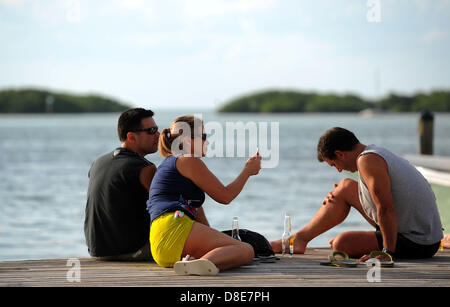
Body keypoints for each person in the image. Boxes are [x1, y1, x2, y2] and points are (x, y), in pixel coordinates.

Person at [271, 127, 444, 260]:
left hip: (419, 242)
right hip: (420, 233)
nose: (338, 170)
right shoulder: (373, 153)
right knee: (344, 186)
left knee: (341, 244)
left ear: (340, 154)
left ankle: (386, 246)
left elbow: (386, 207)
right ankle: (300, 239)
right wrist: (341, 194)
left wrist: (386, 253)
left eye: (334, 164)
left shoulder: (367, 160)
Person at [147, 115, 261, 275]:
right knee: (246, 250)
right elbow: (225, 196)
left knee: (233, 249)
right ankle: (200, 264)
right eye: (204, 137)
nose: (207, 142)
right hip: (174, 227)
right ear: (187, 141)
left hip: (161, 242)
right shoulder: (187, 160)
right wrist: (247, 171)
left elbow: (200, 218)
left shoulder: (174, 164)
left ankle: (193, 263)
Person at [84, 108, 159, 261]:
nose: (158, 135)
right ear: (131, 136)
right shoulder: (144, 168)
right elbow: (171, 209)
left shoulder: (98, 162)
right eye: (151, 131)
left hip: (98, 252)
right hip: (133, 252)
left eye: (157, 130)